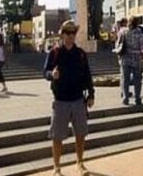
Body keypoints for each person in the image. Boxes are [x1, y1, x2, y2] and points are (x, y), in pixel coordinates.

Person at [43, 20, 95, 176]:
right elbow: (45, 72)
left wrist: (91, 94)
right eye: (68, 33)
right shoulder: (55, 53)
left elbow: (87, 75)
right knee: (57, 136)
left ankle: (80, 163)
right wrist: (52, 75)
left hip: (78, 99)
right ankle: (57, 167)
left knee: (80, 134)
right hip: (60, 100)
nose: (71, 36)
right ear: (62, 34)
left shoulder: (80, 54)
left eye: (73, 33)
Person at [118, 16, 143, 105]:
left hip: (125, 58)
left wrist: (119, 55)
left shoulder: (123, 31)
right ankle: (137, 98)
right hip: (136, 58)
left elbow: (118, 44)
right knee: (137, 79)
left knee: (125, 79)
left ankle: (125, 98)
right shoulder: (138, 32)